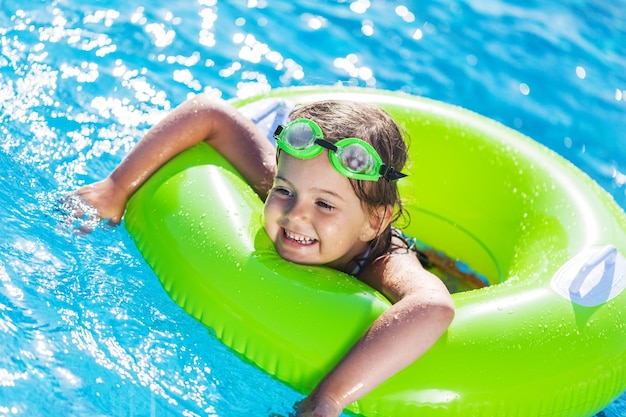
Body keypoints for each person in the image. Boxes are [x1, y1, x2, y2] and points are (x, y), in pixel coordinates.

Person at [71, 93, 455, 417]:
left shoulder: (383, 260)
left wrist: (328, 399)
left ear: (374, 221)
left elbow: (434, 307)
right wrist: (115, 187)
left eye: (325, 204)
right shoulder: (286, 180)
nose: (296, 214)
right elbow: (209, 112)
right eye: (285, 191)